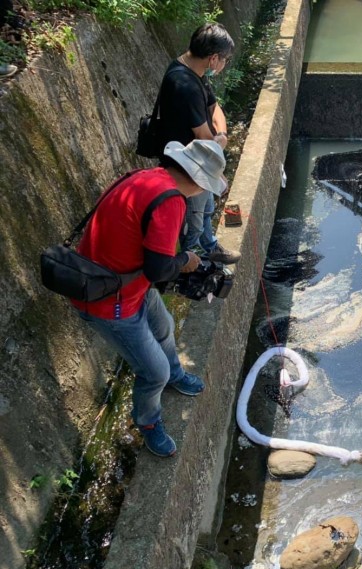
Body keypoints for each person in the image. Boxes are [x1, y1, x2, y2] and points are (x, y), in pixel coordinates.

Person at [72, 140, 227, 457]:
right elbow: (159, 269)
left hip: (127, 282)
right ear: (198, 182)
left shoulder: (146, 176)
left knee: (164, 326)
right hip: (108, 301)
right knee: (153, 371)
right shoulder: (171, 201)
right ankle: (149, 423)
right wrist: (186, 261)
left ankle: (176, 375)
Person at [154, 22, 240, 264]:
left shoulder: (195, 71)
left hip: (200, 158)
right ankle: (191, 262)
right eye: (225, 59)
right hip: (188, 165)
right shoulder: (185, 85)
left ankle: (209, 246)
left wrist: (221, 135)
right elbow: (203, 137)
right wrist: (218, 169)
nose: (224, 64)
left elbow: (215, 108)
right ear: (213, 59)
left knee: (206, 206)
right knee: (196, 212)